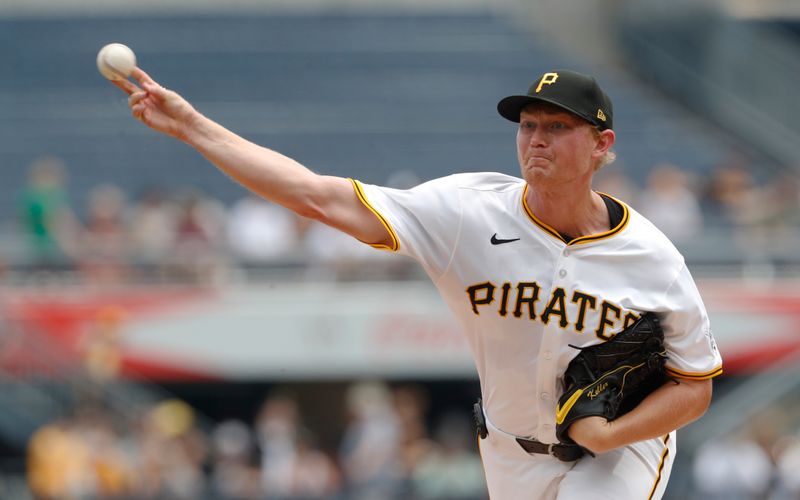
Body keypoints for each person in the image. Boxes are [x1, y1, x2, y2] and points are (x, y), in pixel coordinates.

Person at [111, 67, 723, 499]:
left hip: (619, 451)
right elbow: (315, 197)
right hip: (509, 449)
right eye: (528, 125)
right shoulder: (465, 213)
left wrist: (614, 432)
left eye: (557, 128)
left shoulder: (651, 258)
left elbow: (695, 385)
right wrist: (192, 127)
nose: (536, 139)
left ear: (601, 145)